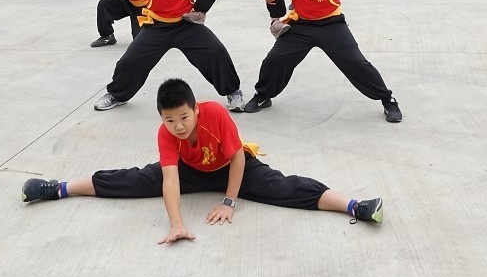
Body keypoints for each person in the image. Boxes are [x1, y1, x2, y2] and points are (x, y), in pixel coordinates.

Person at [20, 78, 385, 240]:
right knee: (131, 180)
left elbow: (238, 159)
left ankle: (354, 206)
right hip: (191, 171)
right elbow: (170, 180)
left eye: (183, 117)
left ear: (195, 109)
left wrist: (229, 201)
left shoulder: (215, 114)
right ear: (161, 118)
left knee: (284, 188)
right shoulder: (166, 134)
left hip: (232, 166)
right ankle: (59, 188)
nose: (178, 126)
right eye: (169, 119)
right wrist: (177, 224)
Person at [245, 0, 402, 123]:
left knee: (356, 62)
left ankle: (387, 100)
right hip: (300, 25)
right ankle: (263, 96)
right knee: (274, 60)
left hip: (331, 25)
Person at [93, 0, 245, 113]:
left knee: (216, 52)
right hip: (157, 28)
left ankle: (233, 92)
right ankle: (117, 94)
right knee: (130, 61)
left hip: (187, 25)